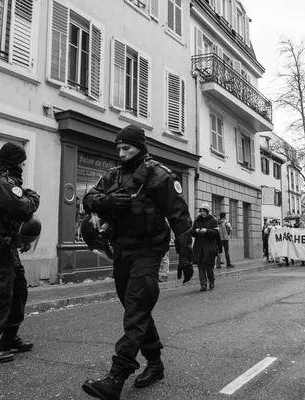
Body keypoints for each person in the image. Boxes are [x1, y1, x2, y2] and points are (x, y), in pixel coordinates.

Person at [81, 125, 194, 400]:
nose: (121, 153)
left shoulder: (160, 175)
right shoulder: (113, 176)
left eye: (127, 148)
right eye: (118, 148)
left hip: (148, 253)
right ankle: (155, 364)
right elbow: (88, 199)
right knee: (138, 309)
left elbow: (179, 216)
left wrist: (186, 256)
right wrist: (108, 201)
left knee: (135, 311)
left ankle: (116, 378)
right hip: (121, 253)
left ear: (140, 148)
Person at [0, 142, 41, 365]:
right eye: (21, 160)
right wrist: (33, 196)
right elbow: (23, 207)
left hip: (8, 245)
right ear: (14, 160)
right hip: (0, 246)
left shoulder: (6, 181)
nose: (23, 164)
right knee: (2, 296)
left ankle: (9, 339)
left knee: (19, 291)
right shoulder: (3, 182)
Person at [191, 203, 220, 291]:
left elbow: (215, 233)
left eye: (204, 211)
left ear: (207, 212)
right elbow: (192, 232)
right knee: (201, 267)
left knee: (209, 267)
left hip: (209, 247)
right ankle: (203, 285)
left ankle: (211, 281)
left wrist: (206, 231)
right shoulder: (197, 221)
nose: (202, 213)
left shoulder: (213, 220)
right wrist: (196, 231)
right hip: (199, 247)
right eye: (201, 211)